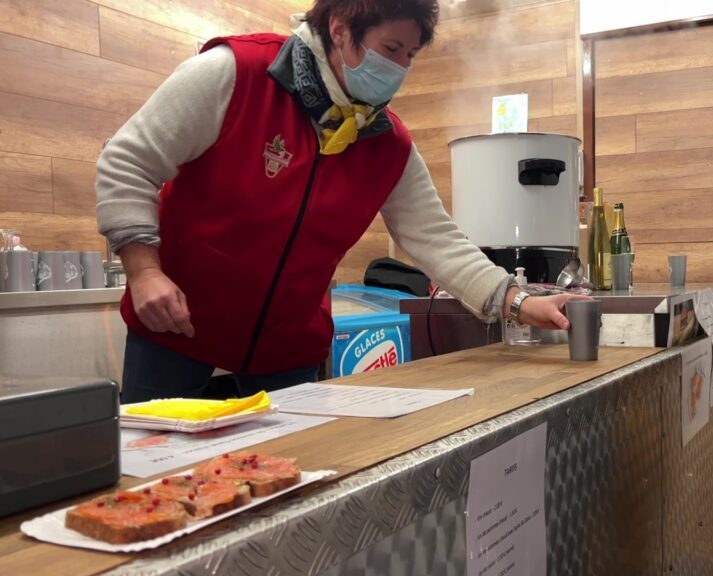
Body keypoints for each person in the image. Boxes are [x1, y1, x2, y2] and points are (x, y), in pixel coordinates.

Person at [97, 0, 581, 403]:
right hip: (175, 330)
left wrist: (517, 303)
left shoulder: (388, 144)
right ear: (340, 29)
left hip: (287, 352)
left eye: (409, 55)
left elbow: (436, 239)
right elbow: (126, 161)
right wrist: (144, 271)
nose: (399, 69)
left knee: (289, 492)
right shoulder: (236, 74)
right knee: (153, 490)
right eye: (390, 49)